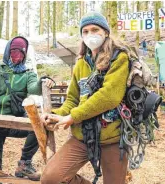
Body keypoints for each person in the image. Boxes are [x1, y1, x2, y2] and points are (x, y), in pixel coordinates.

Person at [40, 12, 132, 184]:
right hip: (82, 136)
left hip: (112, 137)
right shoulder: (81, 63)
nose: (90, 35)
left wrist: (73, 117)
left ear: (105, 32)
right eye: (86, 31)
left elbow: (109, 96)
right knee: (51, 178)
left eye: (95, 29)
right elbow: (72, 99)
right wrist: (56, 113)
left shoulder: (119, 58)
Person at [0, 36, 55, 183]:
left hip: (14, 123)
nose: (16, 55)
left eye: (20, 52)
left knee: (42, 126)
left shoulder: (27, 74)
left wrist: (44, 81)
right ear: (7, 51)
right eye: (13, 51)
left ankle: (24, 164)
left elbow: (34, 88)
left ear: (24, 55)